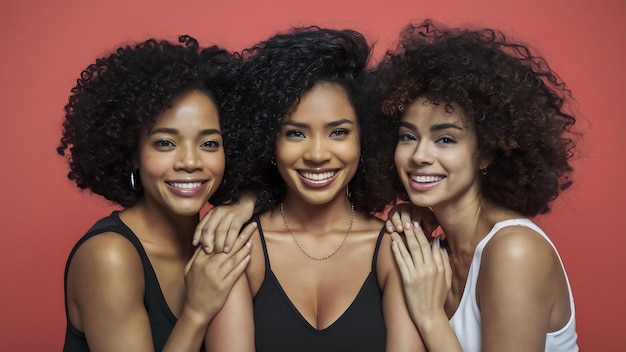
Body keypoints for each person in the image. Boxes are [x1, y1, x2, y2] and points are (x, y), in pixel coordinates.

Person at [203, 26, 425, 351]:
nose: (318, 155)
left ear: (366, 139)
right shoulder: (237, 247)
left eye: (338, 133)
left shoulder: (395, 250)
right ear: (268, 141)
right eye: (296, 133)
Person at [373, 19, 579, 351]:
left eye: (445, 139)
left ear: (485, 152)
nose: (419, 156)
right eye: (408, 136)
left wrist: (429, 315)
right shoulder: (434, 250)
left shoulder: (514, 252)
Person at [58, 35, 255, 352]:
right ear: (133, 153)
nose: (190, 162)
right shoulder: (110, 257)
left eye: (209, 143)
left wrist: (247, 201)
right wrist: (196, 313)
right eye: (165, 142)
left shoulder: (216, 242)